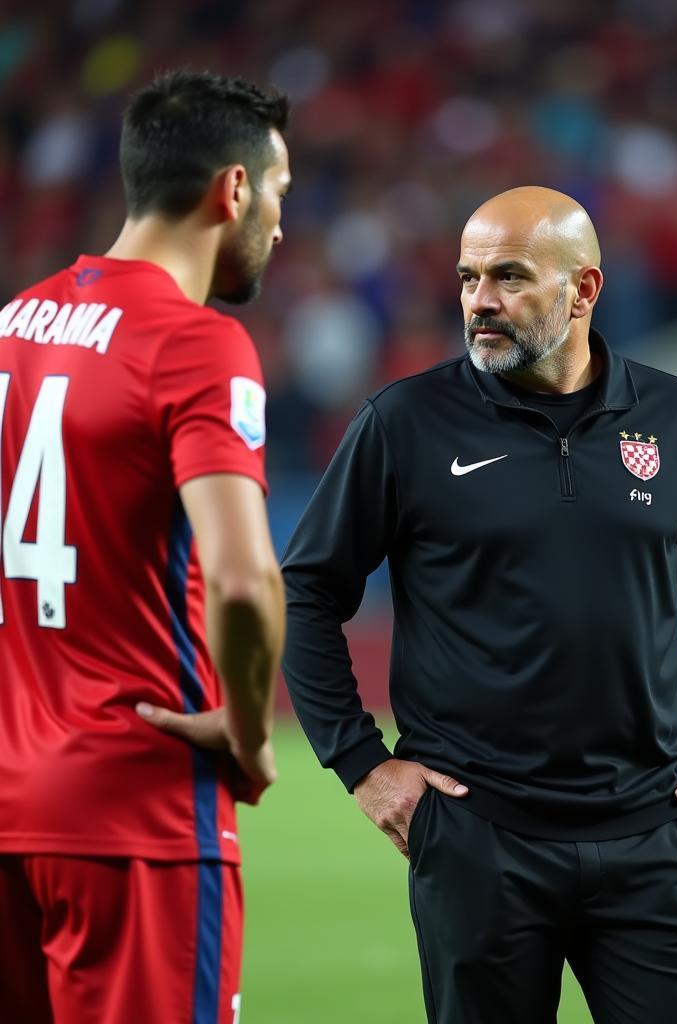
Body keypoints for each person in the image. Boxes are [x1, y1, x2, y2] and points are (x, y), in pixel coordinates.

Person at [281, 185, 677, 1024]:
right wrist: (363, 764)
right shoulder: (406, 423)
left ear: (584, 290)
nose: (480, 302)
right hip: (476, 837)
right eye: (469, 279)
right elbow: (305, 591)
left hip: (656, 835)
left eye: (509, 277)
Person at [0, 71, 290, 1024]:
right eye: (278, 191)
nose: (282, 226)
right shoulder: (192, 343)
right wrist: (247, 732)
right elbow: (245, 581)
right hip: (136, 814)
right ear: (233, 190)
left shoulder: (12, 328)